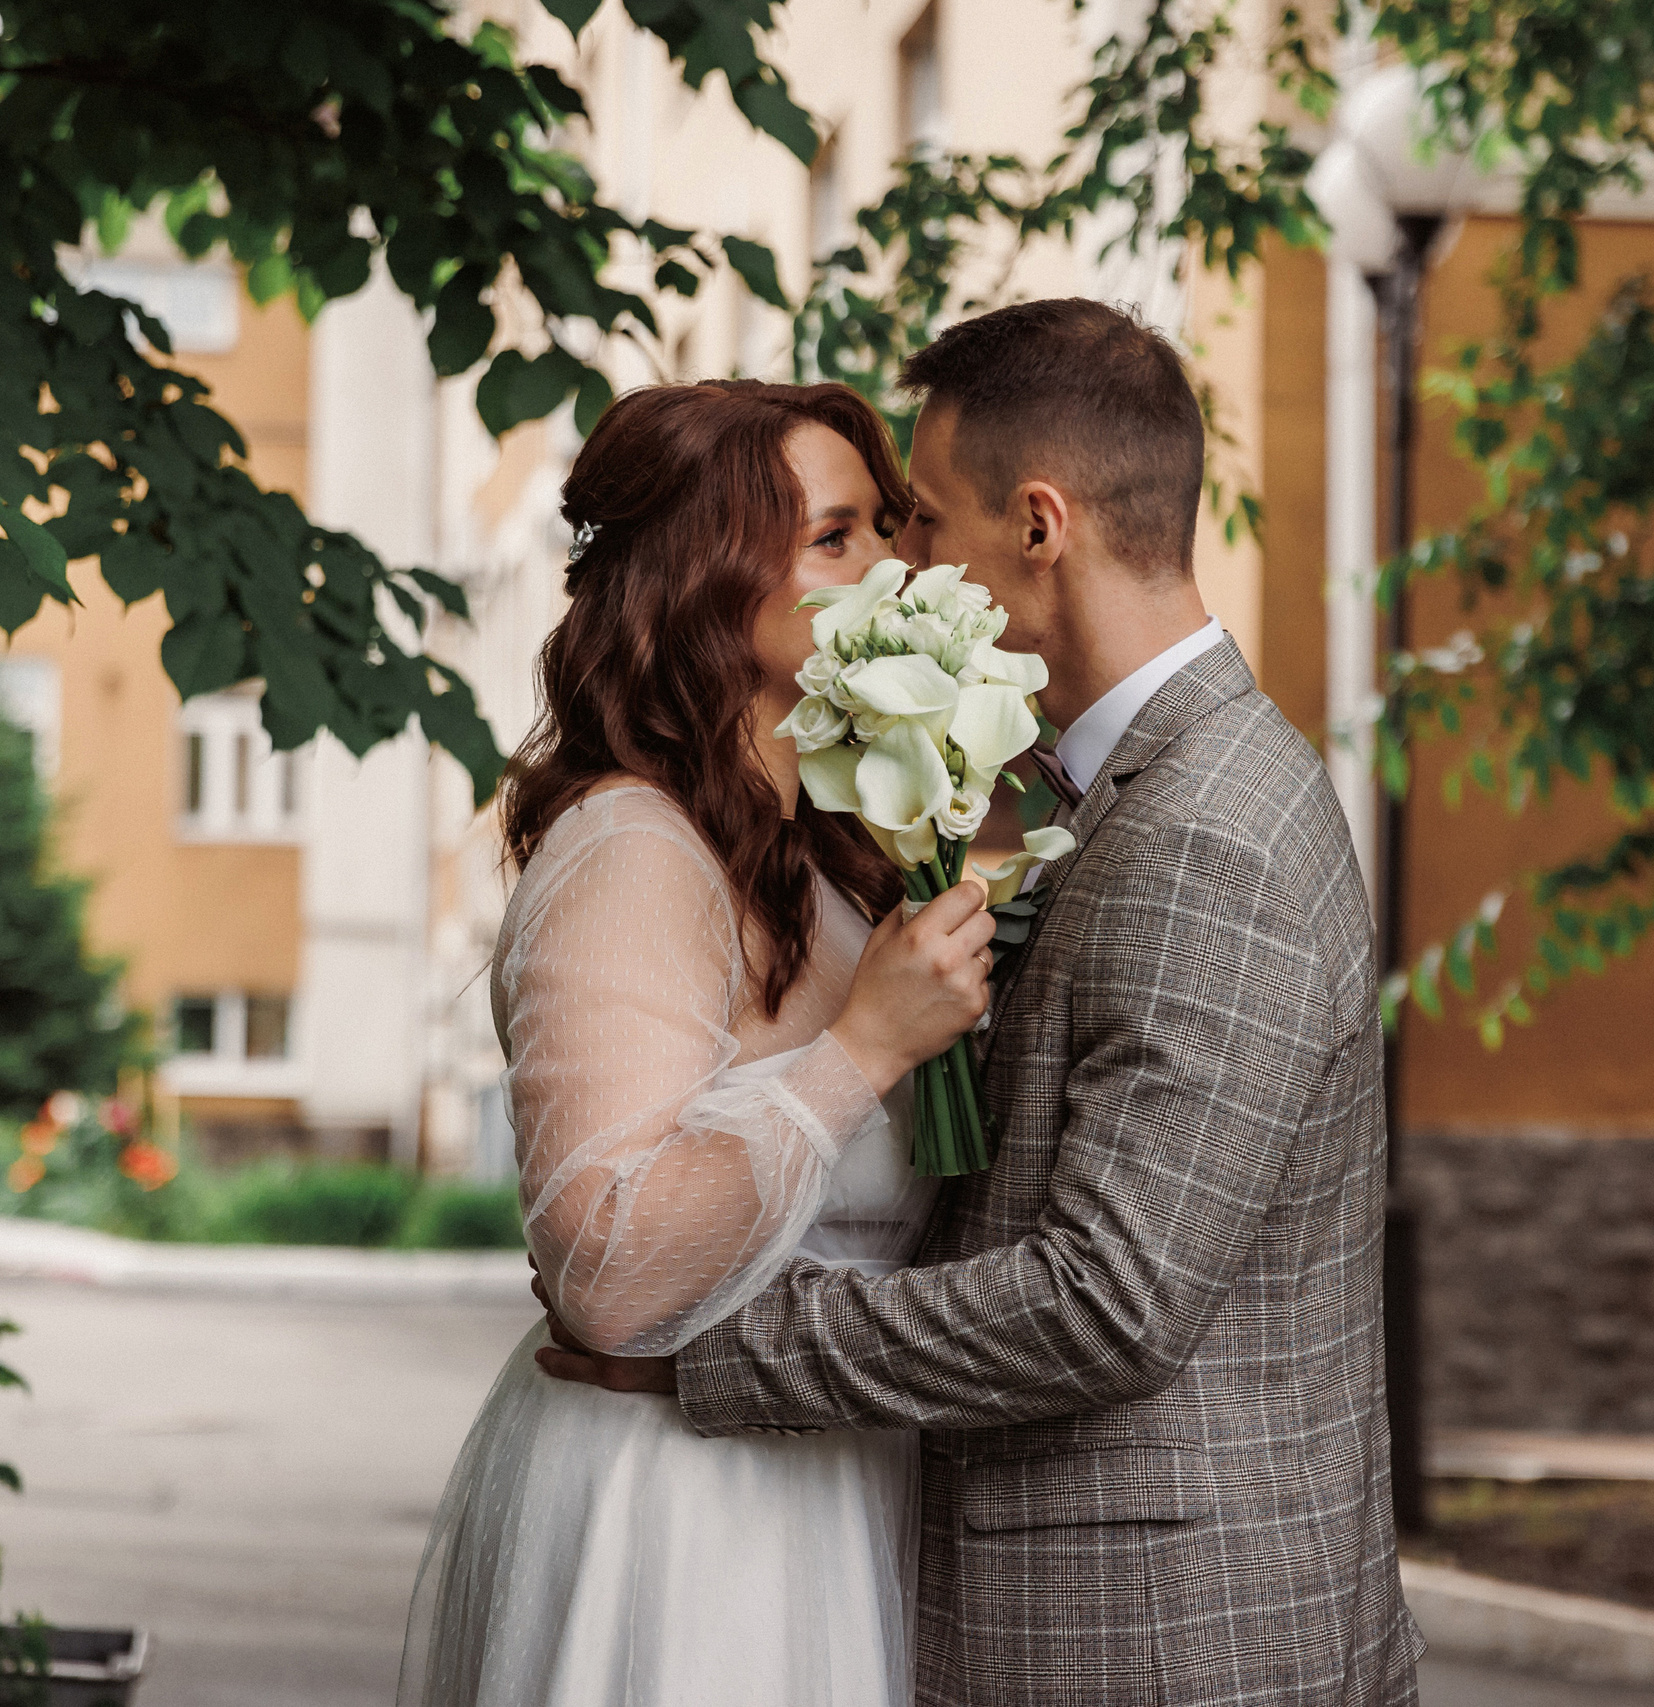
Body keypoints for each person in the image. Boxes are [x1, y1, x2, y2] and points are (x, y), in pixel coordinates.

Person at [538, 300, 1427, 1707]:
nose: (906, 569)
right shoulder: (1125, 801)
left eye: (926, 524)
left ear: (1039, 525)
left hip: (1162, 1646)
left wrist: (717, 1352)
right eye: (866, 534)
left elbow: (1110, 1302)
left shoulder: (1206, 825)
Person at [397, 380, 1000, 1707]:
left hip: (824, 1487)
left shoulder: (825, 852)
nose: (894, 568)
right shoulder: (630, 851)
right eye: (838, 536)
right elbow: (605, 1269)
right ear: (709, 579)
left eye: (887, 529)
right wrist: (863, 1053)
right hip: (680, 1515)